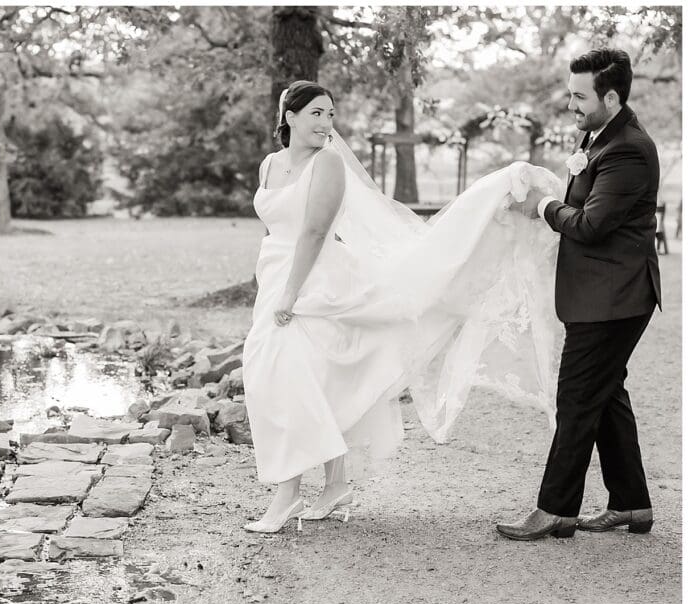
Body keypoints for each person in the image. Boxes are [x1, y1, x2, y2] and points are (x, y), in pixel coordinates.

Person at [242, 79, 568, 533]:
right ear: (289, 116)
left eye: (331, 115)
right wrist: (272, 285)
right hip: (276, 275)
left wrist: (292, 295)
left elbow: (315, 233)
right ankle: (335, 484)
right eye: (316, 113)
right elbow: (273, 227)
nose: (326, 123)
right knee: (317, 379)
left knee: (284, 377)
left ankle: (287, 495)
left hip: (314, 280)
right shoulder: (269, 166)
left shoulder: (329, 164)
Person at [497, 48, 661, 540]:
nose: (571, 104)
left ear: (610, 96)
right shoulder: (598, 136)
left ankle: (556, 510)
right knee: (605, 394)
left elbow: (590, 225)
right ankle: (632, 504)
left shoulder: (628, 149)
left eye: (579, 95)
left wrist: (542, 205)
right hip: (601, 294)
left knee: (576, 397)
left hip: (615, 299)